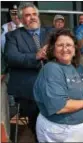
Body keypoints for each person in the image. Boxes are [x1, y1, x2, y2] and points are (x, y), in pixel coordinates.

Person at [33, 28, 83, 142]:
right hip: (61, 131)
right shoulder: (51, 69)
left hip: (80, 129)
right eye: (60, 45)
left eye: (69, 45)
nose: (65, 49)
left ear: (75, 49)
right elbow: (60, 106)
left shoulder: (78, 67)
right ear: (53, 49)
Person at [4, 3, 49, 140]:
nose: (32, 18)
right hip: (28, 87)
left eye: (34, 14)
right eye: (27, 15)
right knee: (37, 117)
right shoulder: (13, 36)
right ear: (21, 19)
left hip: (52, 83)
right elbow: (11, 58)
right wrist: (36, 56)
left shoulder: (51, 33)